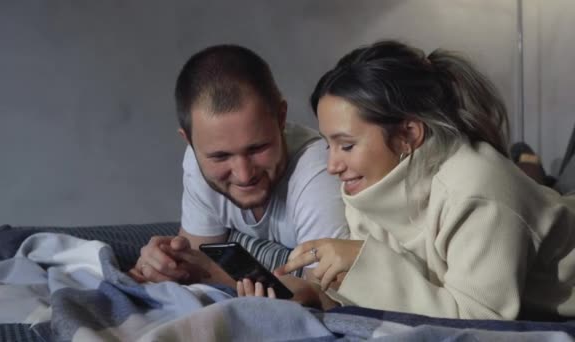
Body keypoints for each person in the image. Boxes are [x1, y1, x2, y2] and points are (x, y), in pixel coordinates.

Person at [238, 40, 575, 321]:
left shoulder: (477, 191)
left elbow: (481, 320)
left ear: (408, 135)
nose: (332, 166)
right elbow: (401, 293)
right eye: (329, 145)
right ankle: (529, 163)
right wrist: (315, 295)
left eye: (347, 145)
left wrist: (362, 261)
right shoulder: (368, 185)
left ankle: (527, 161)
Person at [129, 44, 348, 285]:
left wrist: (218, 275)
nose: (244, 175)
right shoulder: (195, 162)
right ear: (190, 142)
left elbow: (324, 294)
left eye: (257, 148)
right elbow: (196, 255)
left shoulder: (317, 172)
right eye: (220, 157)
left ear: (281, 117)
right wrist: (163, 264)